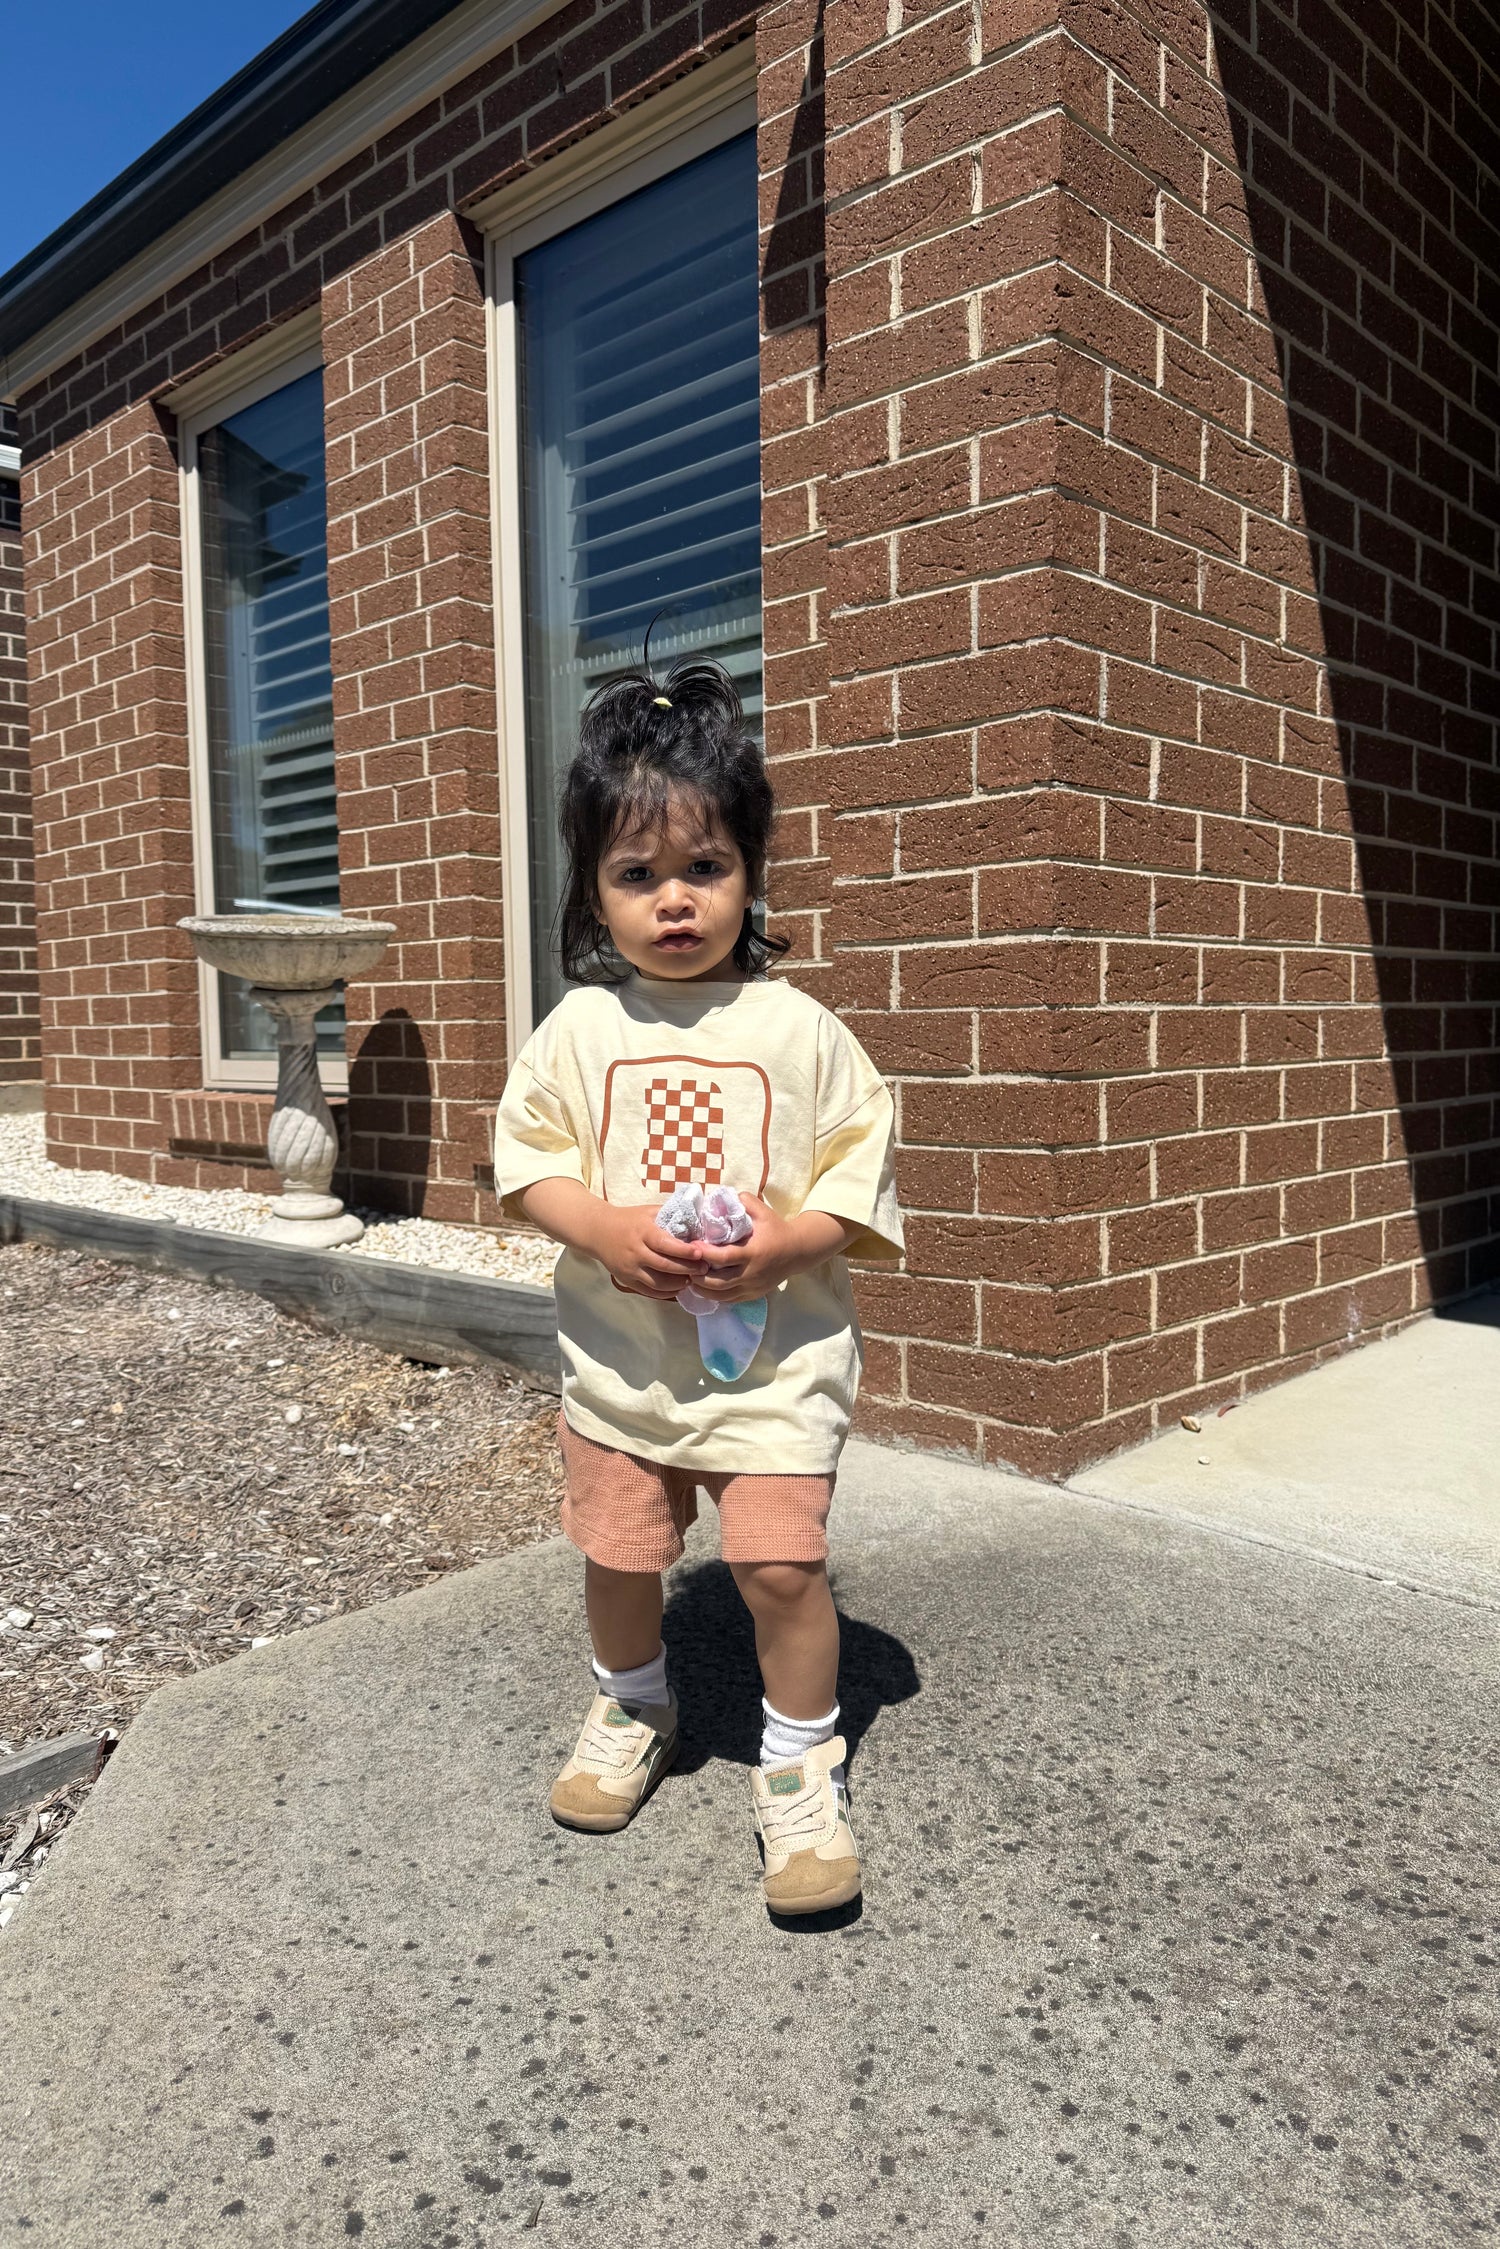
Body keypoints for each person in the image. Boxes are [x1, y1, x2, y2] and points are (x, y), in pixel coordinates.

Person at [492, 659, 903, 1915]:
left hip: (775, 1373)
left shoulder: (801, 1029)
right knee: (621, 1554)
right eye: (637, 873)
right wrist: (602, 1226)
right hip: (625, 1368)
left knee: (781, 1569)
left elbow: (859, 1166)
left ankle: (800, 1759)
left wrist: (788, 1244)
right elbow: (528, 1160)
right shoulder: (580, 1030)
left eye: (705, 866)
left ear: (750, 873)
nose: (675, 899)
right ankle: (634, 1702)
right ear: (593, 892)